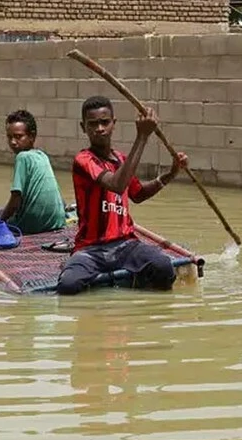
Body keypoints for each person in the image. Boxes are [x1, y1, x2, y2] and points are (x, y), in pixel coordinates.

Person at [56, 96, 188, 296]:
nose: (100, 128)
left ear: (113, 124)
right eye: (93, 124)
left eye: (105, 122)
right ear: (83, 128)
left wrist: (170, 174)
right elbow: (116, 185)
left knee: (163, 267)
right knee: (68, 285)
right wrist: (142, 136)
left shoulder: (122, 160)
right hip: (91, 249)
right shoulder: (83, 160)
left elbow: (138, 194)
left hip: (126, 245)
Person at [0, 110, 68, 235]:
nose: (12, 142)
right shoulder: (42, 155)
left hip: (32, 226)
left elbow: (15, 200)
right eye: (9, 137)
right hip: (56, 222)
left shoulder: (22, 157)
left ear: (32, 136)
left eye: (18, 137)